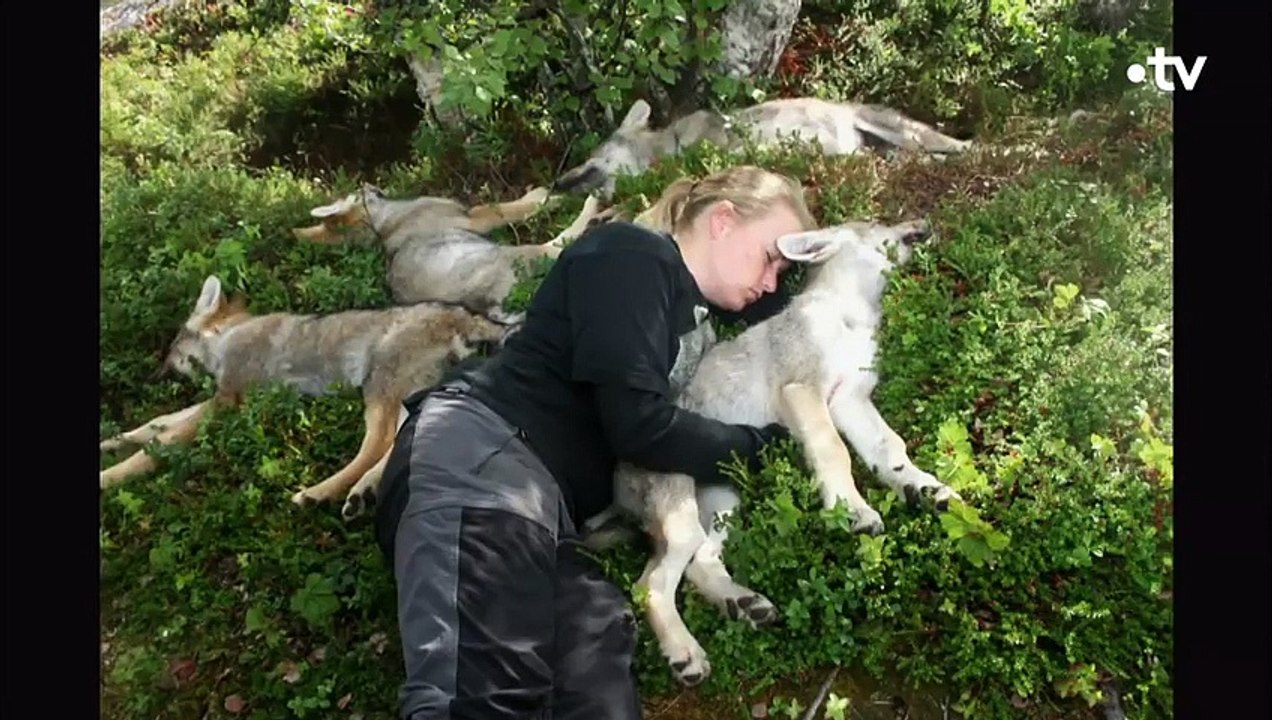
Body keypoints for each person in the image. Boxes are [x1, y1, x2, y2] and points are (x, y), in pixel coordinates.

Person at [373, 164, 819, 720]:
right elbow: (640, 426)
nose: (772, 279)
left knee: (596, 663)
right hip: (480, 466)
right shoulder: (630, 257)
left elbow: (773, 310)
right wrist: (763, 445)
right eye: (771, 257)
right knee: (479, 698)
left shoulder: (685, 309)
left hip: (540, 513)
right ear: (723, 221)